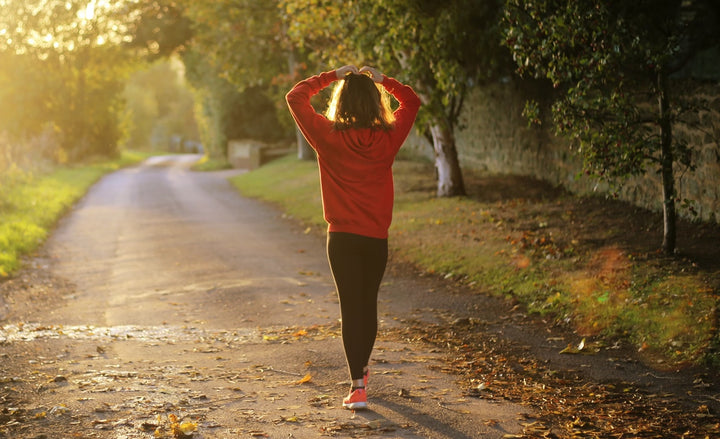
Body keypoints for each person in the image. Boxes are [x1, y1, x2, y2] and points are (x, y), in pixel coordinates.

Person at [286, 65, 421, 410]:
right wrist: (384, 81)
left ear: (341, 102)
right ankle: (361, 371)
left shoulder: (327, 136)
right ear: (376, 104)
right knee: (368, 304)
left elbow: (295, 96)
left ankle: (357, 386)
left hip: (342, 238)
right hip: (375, 238)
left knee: (351, 308)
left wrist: (332, 75)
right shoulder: (389, 137)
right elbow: (412, 101)